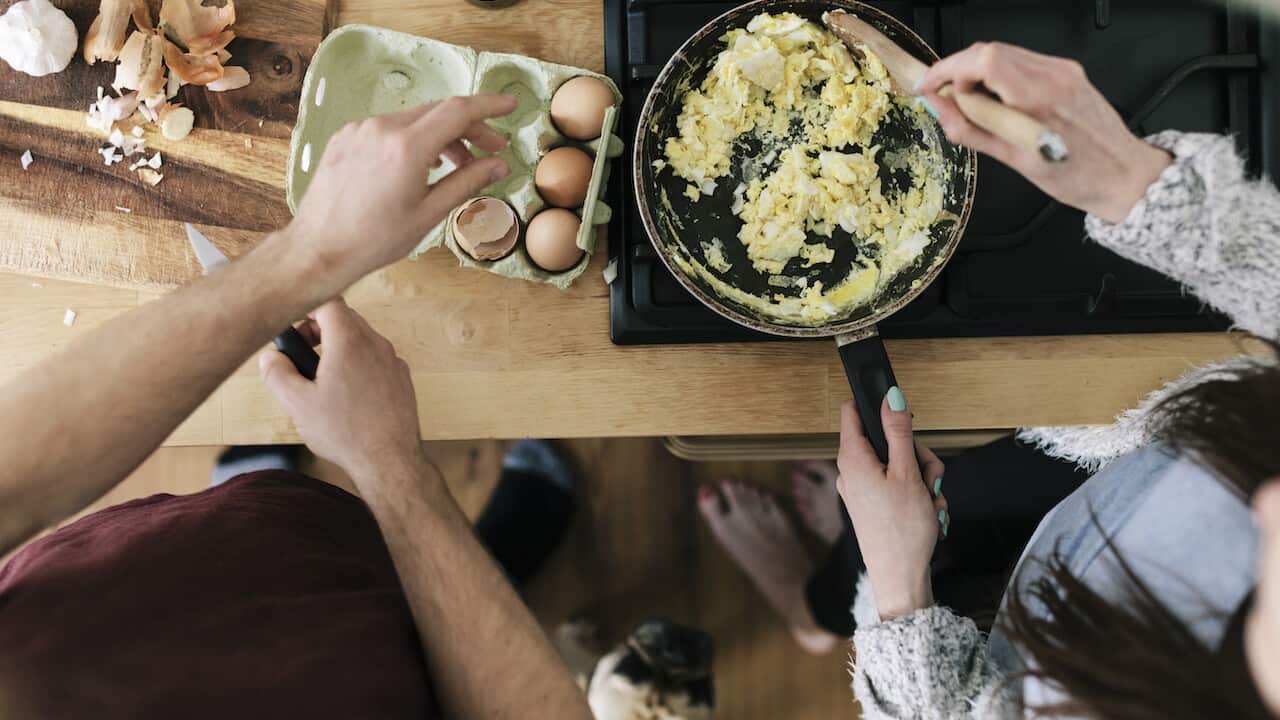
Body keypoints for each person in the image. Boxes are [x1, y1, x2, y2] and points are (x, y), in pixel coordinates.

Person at [701, 43, 1280, 718]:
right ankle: (838, 568)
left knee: (879, 538)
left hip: (1028, 596)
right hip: (1128, 460)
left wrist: (897, 586)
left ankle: (814, 612)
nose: (1265, 503)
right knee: (942, 490)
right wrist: (1135, 181)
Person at [0, 95, 595, 719]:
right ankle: (490, 565)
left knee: (256, 512)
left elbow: (11, 482)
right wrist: (394, 470)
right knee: (445, 613)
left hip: (217, 553)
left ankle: (255, 487)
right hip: (382, 665)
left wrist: (307, 257)